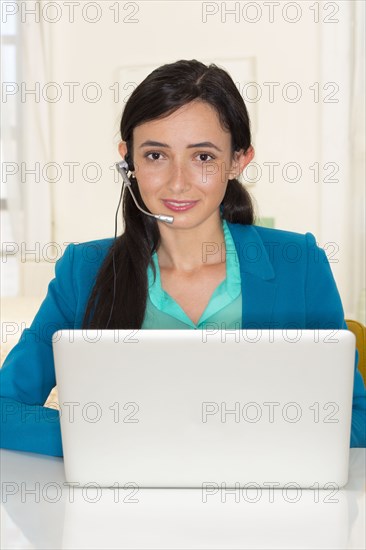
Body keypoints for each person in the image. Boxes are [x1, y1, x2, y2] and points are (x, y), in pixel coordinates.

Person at [1, 59, 365, 456]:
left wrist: (232, 442)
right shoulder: (82, 271)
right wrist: (112, 437)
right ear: (129, 160)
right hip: (120, 512)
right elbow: (6, 409)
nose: (178, 181)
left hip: (262, 511)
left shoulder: (300, 263)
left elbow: (355, 417)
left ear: (238, 161)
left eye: (203, 157)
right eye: (156, 155)